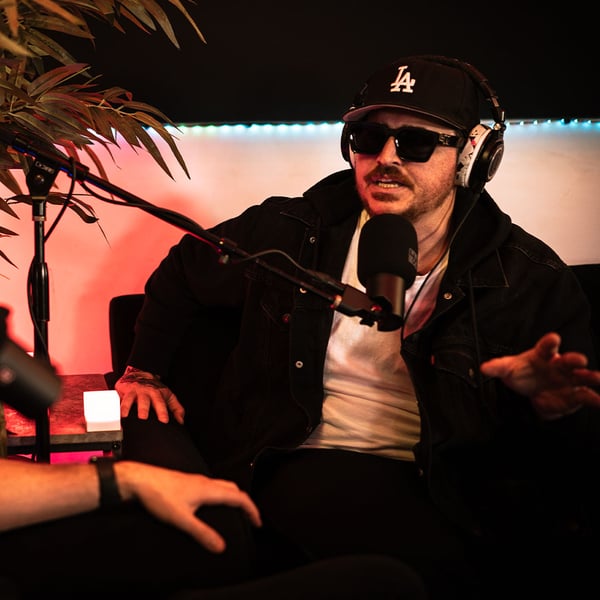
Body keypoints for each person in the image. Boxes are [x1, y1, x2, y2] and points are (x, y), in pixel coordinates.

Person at [114, 55, 600, 599]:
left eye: (416, 142)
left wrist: (551, 409)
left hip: (446, 485)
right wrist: (144, 369)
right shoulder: (291, 232)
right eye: (368, 137)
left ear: (473, 157)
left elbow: (570, 462)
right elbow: (186, 266)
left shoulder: (530, 281)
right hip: (300, 458)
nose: (385, 160)